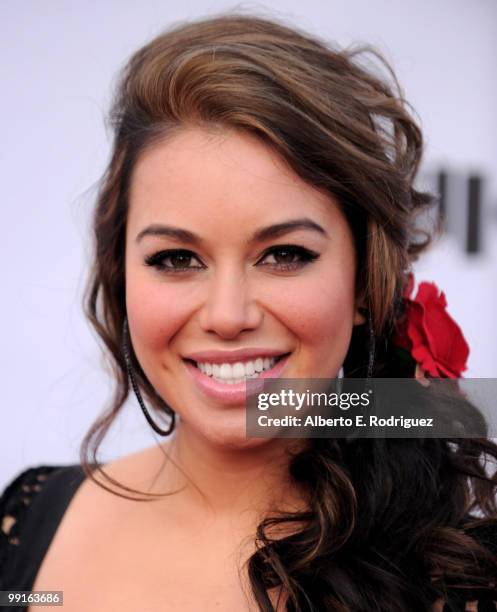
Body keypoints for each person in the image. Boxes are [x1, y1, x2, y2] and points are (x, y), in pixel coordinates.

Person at [1, 12, 496, 612]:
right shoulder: (29, 516)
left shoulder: (459, 581)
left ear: (367, 281)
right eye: (176, 258)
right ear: (120, 274)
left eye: (284, 254)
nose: (227, 314)